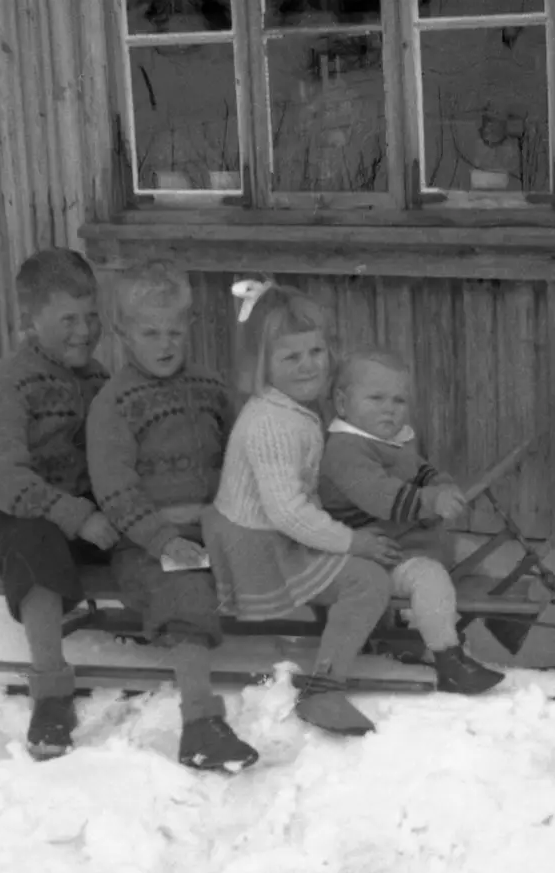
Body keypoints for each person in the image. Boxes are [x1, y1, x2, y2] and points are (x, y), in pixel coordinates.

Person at [201, 280, 400, 737]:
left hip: (276, 528)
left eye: (316, 351)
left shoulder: (293, 408)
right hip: (261, 543)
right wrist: (351, 541)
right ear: (262, 365)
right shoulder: (270, 424)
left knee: (358, 553)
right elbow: (287, 512)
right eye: (291, 357)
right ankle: (324, 691)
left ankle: (347, 639)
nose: (308, 365)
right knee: (367, 580)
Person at [86, 263, 259, 772]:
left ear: (190, 328)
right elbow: (114, 490)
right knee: (185, 590)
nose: (165, 344)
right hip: (147, 542)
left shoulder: (209, 387)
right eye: (150, 332)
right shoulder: (113, 404)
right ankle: (200, 723)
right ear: (123, 335)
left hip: (216, 527)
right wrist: (162, 540)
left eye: (174, 332)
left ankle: (329, 672)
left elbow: (239, 454)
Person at [0, 248, 119, 760]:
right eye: (68, 320)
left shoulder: (99, 381)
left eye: (92, 316)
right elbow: (4, 479)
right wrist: (77, 517)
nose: (84, 330)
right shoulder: (7, 384)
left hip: (85, 513)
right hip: (12, 513)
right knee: (36, 545)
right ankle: (51, 691)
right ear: (29, 321)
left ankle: (175, 628)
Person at [317, 347, 504, 695]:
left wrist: (439, 482)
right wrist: (431, 500)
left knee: (474, 555)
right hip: (380, 552)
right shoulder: (344, 450)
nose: (390, 408)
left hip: (413, 539)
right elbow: (381, 495)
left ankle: (501, 619)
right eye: (376, 398)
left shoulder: (392, 440)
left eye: (399, 400)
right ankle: (448, 658)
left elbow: (418, 467)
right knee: (429, 579)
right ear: (343, 404)